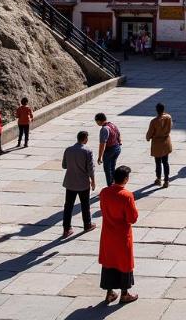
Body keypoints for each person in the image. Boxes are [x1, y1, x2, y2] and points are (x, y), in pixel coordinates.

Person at [98, 165, 138, 305]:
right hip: (122, 235)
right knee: (124, 263)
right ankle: (124, 294)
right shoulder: (126, 195)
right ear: (126, 179)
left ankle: (109, 293)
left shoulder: (104, 192)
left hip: (108, 235)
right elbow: (132, 218)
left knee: (109, 262)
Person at [61, 130, 97, 238]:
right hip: (83, 183)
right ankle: (87, 225)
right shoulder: (87, 151)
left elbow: (64, 165)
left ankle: (66, 229)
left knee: (68, 206)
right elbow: (90, 169)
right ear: (85, 139)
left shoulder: (68, 150)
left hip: (70, 182)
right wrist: (93, 181)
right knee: (85, 205)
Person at [146, 102, 172, 188]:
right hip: (166, 141)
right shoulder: (168, 117)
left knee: (158, 162)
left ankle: (158, 179)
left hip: (157, 143)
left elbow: (150, 132)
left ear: (156, 110)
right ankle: (167, 180)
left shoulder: (154, 121)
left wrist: (148, 137)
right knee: (165, 162)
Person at [95, 113, 122, 187]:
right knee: (112, 167)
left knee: (107, 169)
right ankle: (115, 184)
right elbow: (118, 134)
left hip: (110, 150)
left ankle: (110, 186)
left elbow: (102, 144)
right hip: (117, 148)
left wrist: (100, 157)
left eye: (96, 121)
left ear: (99, 121)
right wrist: (119, 143)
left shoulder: (104, 129)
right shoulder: (112, 125)